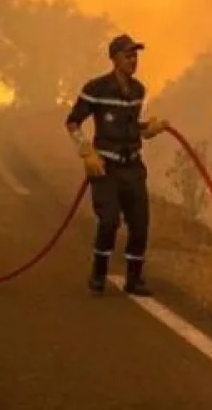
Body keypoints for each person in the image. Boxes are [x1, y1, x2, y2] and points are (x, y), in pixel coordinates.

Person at [65, 34, 168, 297]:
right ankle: (99, 274)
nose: (133, 60)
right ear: (114, 59)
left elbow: (132, 126)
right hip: (105, 167)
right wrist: (86, 152)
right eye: (127, 55)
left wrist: (150, 128)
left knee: (140, 223)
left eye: (135, 55)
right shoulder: (96, 89)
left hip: (132, 166)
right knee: (109, 221)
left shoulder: (138, 91)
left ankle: (134, 279)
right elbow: (73, 122)